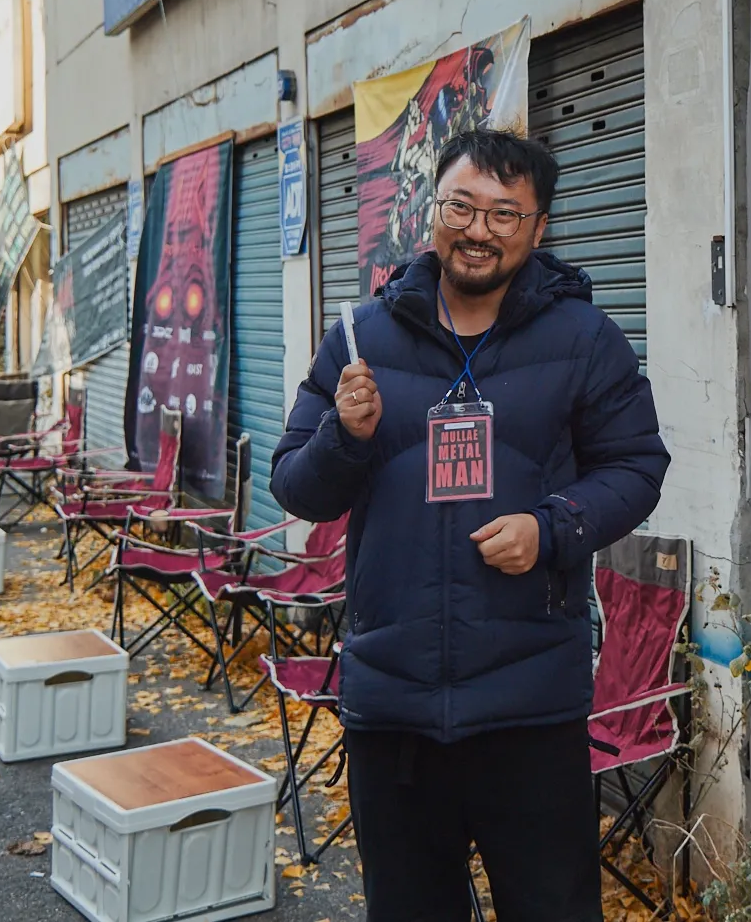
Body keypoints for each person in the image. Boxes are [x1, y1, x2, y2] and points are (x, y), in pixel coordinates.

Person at [271, 128, 669, 922]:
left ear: (538, 227)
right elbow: (296, 487)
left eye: (504, 213)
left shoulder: (583, 339)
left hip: (530, 701)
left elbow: (636, 466)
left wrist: (552, 528)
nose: (478, 229)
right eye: (461, 206)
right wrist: (342, 436)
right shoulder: (361, 338)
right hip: (394, 702)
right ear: (433, 210)